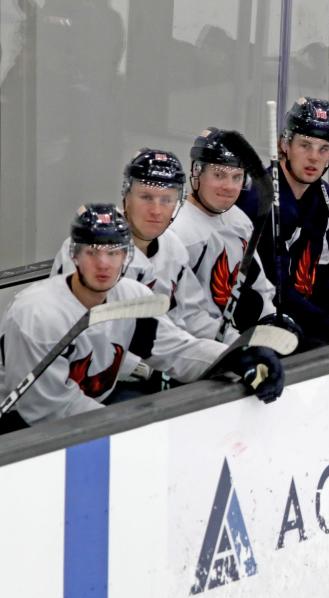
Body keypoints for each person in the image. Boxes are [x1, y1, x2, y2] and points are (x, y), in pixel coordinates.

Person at [0, 204, 284, 427]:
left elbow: (178, 350)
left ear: (127, 257)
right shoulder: (38, 314)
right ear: (74, 255)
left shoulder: (131, 299)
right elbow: (49, 410)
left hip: (89, 419)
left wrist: (235, 357)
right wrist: (130, 429)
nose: (103, 264)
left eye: (114, 253)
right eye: (92, 252)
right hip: (19, 431)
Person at [51, 149, 237, 392]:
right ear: (126, 196)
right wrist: (146, 371)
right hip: (79, 381)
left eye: (166, 199)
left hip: (158, 363)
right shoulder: (91, 248)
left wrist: (237, 346)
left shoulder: (173, 248)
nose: (157, 211)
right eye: (146, 197)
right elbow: (91, 336)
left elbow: (191, 317)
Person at [237, 97, 329, 348]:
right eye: (305, 145)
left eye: (323, 149)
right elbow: (272, 286)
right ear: (285, 144)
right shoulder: (260, 199)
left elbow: (325, 270)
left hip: (305, 310)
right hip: (264, 317)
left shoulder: (323, 194)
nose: (314, 158)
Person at [169, 127, 279, 336]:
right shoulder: (176, 230)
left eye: (236, 177)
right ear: (197, 172)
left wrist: (269, 320)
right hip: (196, 350)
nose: (229, 186)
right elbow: (183, 315)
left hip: (234, 340)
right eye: (219, 174)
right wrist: (232, 345)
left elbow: (259, 285)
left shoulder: (239, 220)